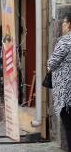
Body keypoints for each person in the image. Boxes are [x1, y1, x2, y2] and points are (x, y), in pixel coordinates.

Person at [47, 13, 71, 151]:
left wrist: (48, 65)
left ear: (68, 24)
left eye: (63, 23)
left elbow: (52, 63)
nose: (62, 26)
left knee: (68, 125)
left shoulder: (65, 41)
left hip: (67, 93)